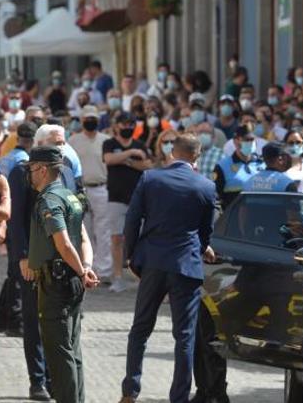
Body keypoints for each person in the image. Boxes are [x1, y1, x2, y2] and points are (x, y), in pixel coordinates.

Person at [120, 134, 216, 403]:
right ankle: (179, 397)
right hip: (186, 265)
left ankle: (130, 391)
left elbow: (132, 220)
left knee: (140, 328)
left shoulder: (151, 178)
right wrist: (200, 247)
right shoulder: (206, 186)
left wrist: (132, 256)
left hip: (152, 260)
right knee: (184, 336)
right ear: (197, 157)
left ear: (172, 152)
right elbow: (206, 231)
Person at [26, 146, 100, 403]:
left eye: (32, 169)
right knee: (72, 349)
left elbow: (65, 243)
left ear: (43, 170)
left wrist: (82, 270)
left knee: (59, 354)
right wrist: (86, 269)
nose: (30, 175)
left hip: (55, 284)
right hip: (72, 280)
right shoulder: (70, 196)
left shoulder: (50, 200)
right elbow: (84, 240)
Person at [103, 113, 152, 293]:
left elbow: (146, 165)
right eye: (124, 123)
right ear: (117, 126)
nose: (127, 127)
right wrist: (131, 155)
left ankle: (141, 277)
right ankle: (117, 277)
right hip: (115, 197)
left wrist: (124, 160)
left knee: (140, 238)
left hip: (138, 199)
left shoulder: (140, 145)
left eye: (131, 123)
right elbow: (109, 159)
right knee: (116, 238)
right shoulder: (110, 144)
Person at [68, 106, 112, 280]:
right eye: (87, 118)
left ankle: (105, 270)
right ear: (81, 120)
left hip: (102, 187)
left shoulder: (106, 140)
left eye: (93, 118)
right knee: (83, 230)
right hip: (81, 189)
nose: (90, 121)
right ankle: (86, 267)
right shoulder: (73, 140)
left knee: (103, 231)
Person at [212, 124, 263, 208]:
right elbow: (216, 197)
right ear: (235, 141)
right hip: (234, 218)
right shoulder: (222, 166)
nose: (251, 143)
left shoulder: (262, 164)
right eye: (247, 139)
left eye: (252, 139)